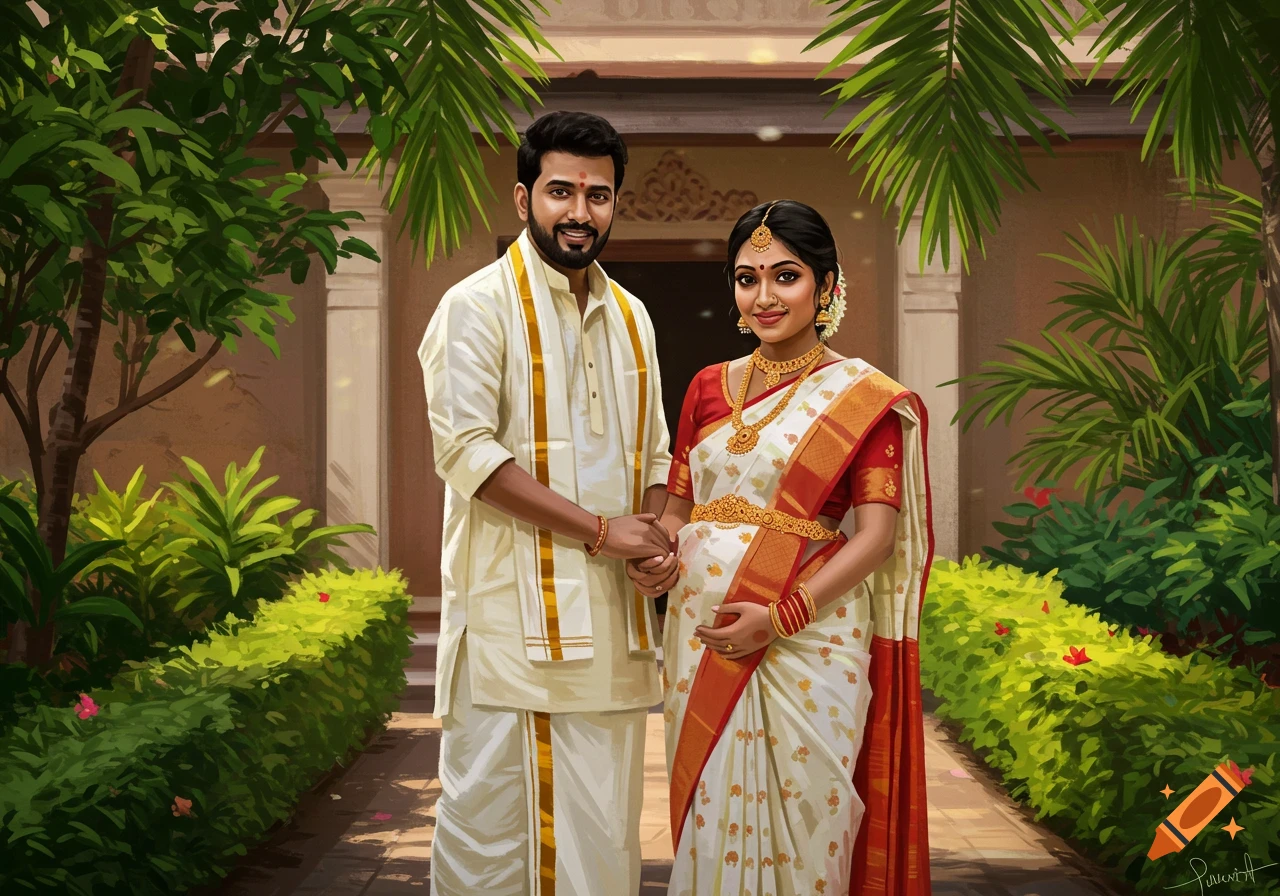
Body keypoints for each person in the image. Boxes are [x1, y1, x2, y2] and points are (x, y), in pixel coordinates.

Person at [628, 200, 933, 895]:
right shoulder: (708, 387)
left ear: (826, 286)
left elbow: (878, 536)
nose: (763, 296)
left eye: (785, 276)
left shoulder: (863, 398)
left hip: (808, 636)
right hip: (702, 634)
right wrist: (657, 560)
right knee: (711, 814)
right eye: (746, 278)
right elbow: (678, 510)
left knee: (806, 820)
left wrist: (783, 615)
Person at [419, 110, 677, 896]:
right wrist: (603, 532)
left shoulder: (632, 316)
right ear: (522, 197)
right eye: (561, 191)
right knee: (498, 851)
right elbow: (469, 455)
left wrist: (661, 538)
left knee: (602, 846)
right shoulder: (476, 306)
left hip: (615, 639)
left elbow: (660, 458)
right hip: (510, 638)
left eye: (598, 195)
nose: (580, 212)